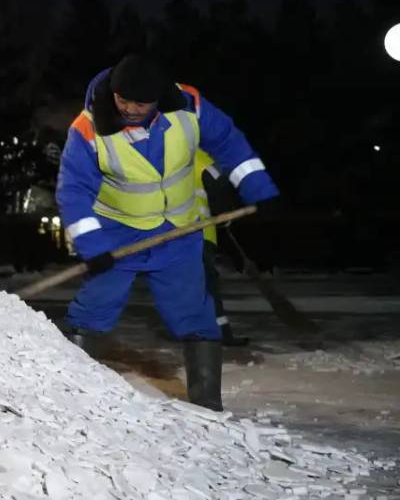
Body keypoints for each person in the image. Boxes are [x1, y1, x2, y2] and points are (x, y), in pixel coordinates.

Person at [55, 53, 279, 411]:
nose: (129, 109)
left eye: (140, 103)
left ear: (158, 98)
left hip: (178, 231)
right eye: (123, 100)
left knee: (195, 311)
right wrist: (91, 244)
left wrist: (257, 187)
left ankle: (208, 404)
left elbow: (228, 142)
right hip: (117, 234)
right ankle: (67, 396)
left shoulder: (190, 105)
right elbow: (73, 189)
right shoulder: (87, 128)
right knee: (94, 308)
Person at [195, 149, 250, 346]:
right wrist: (223, 214)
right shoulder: (201, 158)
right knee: (207, 284)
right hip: (199, 233)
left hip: (170, 235)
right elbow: (217, 185)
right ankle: (218, 332)